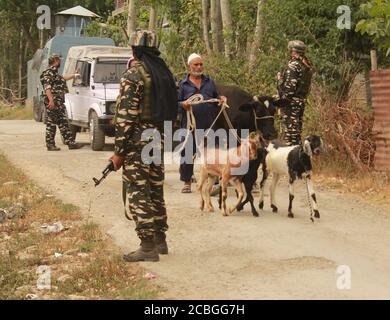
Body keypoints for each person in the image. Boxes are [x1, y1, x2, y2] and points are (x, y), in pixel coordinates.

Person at [110, 30, 177, 262]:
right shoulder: (165, 75)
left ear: (134, 50)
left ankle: (147, 247)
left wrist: (119, 151)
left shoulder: (134, 75)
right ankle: (160, 240)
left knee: (138, 191)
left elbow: (125, 117)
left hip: (138, 142)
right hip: (157, 140)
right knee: (155, 189)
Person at [178, 53, 226, 193]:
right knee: (187, 152)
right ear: (189, 66)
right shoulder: (183, 85)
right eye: (196, 65)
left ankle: (214, 180)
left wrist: (221, 99)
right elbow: (175, 104)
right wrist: (183, 104)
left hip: (209, 124)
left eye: (201, 64)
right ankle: (187, 182)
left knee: (213, 153)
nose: (199, 67)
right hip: (190, 125)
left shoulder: (209, 82)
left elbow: (216, 98)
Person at [40, 54, 83, 151]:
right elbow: (47, 88)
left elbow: (63, 78)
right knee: (53, 123)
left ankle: (70, 143)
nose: (60, 62)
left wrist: (74, 75)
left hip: (58, 103)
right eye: (59, 60)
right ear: (55, 60)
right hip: (54, 102)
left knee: (62, 123)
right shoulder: (48, 73)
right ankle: (52, 144)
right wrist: (51, 100)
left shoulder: (54, 73)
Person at [277, 40, 314, 146]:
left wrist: (280, 81)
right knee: (297, 132)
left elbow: (289, 89)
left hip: (291, 103)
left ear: (293, 51)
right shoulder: (306, 65)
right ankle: (298, 154)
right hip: (300, 101)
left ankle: (291, 158)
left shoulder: (293, 65)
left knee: (290, 134)